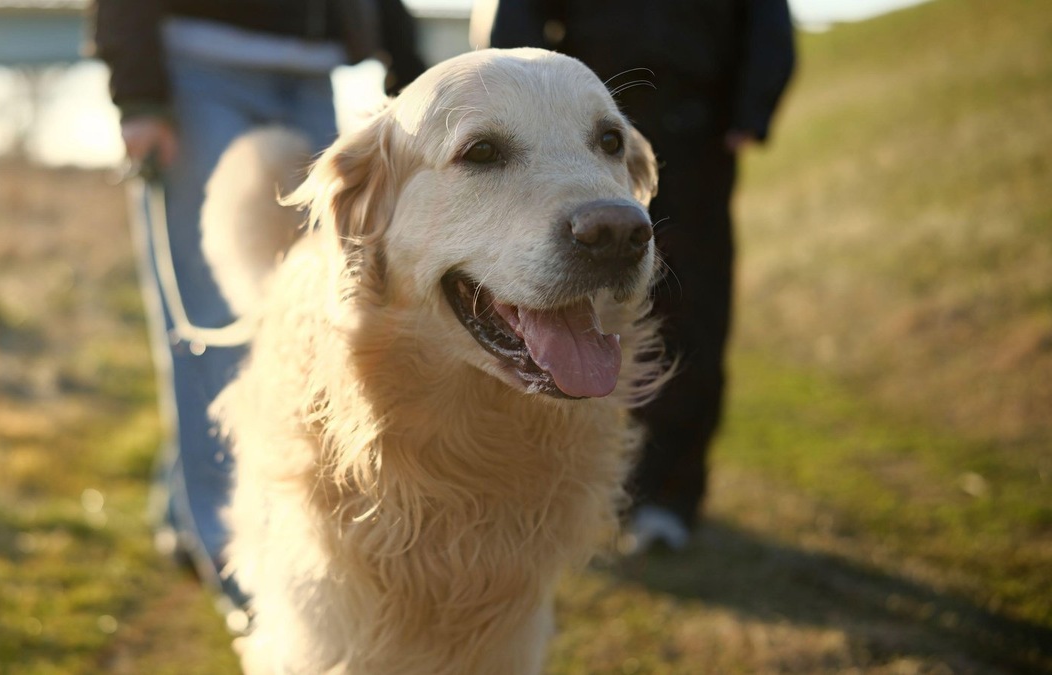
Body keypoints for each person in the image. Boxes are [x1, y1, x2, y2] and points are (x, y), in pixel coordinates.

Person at [89, 0, 425, 630]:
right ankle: (236, 560)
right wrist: (138, 96)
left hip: (311, 76)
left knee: (305, 316)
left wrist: (412, 77)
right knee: (219, 330)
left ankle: (181, 509)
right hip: (198, 72)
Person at [487, 0, 795, 552]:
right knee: (547, 312)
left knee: (690, 314)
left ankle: (665, 501)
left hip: (697, 137)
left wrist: (752, 111)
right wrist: (519, 111)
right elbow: (517, 16)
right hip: (576, 149)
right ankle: (547, 492)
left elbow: (767, 20)